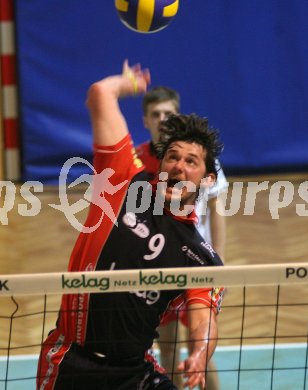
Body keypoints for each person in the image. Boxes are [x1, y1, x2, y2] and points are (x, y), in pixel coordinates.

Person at [36, 60, 224, 390]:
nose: (178, 166)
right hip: (69, 362)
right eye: (172, 157)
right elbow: (99, 93)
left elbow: (202, 319)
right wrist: (126, 85)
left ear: (207, 179)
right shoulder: (122, 181)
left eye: (190, 161)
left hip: (133, 372)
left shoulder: (199, 256)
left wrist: (199, 353)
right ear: (161, 164)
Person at [136, 86, 228, 388]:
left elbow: (217, 208)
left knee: (201, 349)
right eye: (156, 114)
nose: (162, 119)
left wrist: (219, 259)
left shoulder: (202, 158)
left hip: (196, 267)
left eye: (168, 113)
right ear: (146, 120)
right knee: (168, 348)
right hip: (156, 269)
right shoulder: (136, 161)